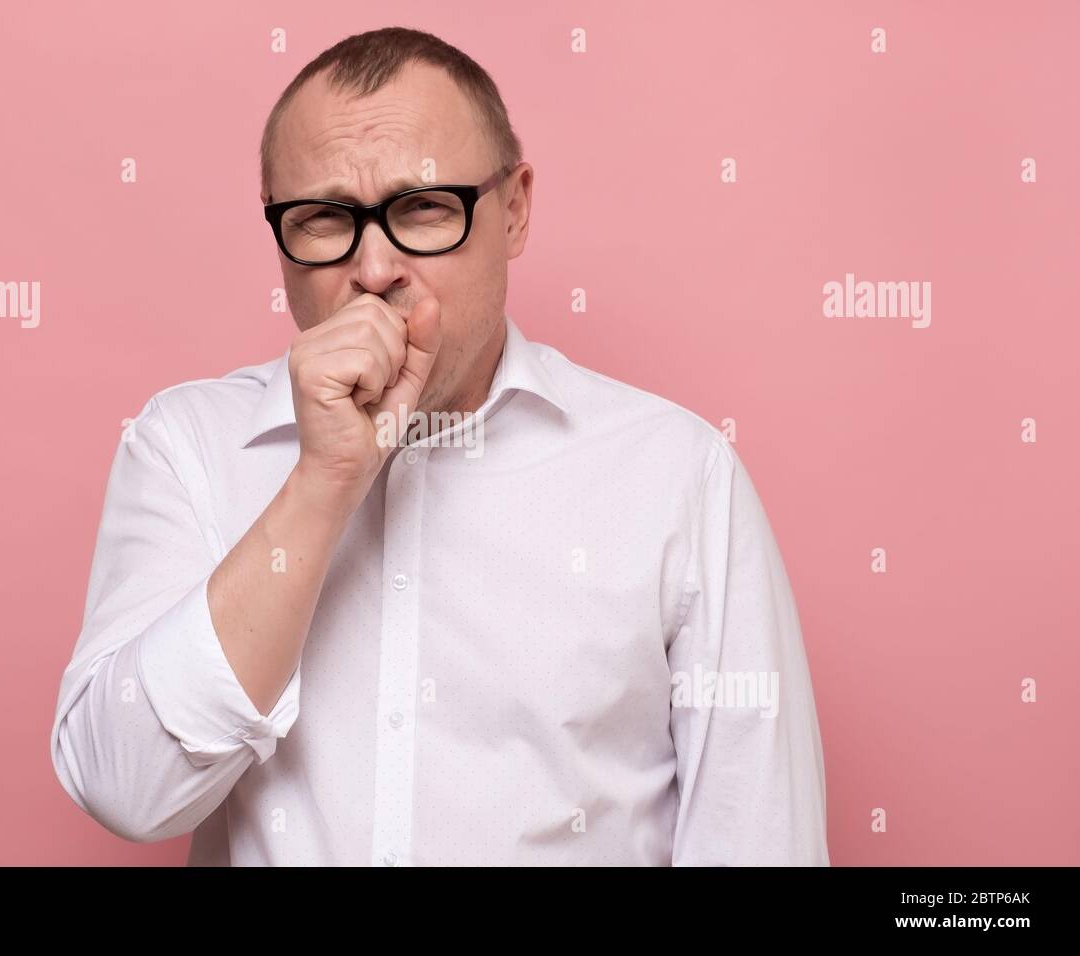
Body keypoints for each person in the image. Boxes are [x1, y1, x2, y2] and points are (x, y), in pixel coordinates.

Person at [50, 26, 829, 866]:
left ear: (515, 209)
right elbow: (125, 791)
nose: (376, 268)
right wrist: (323, 483)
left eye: (423, 208)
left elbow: (758, 839)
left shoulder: (678, 475)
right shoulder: (187, 447)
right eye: (323, 218)